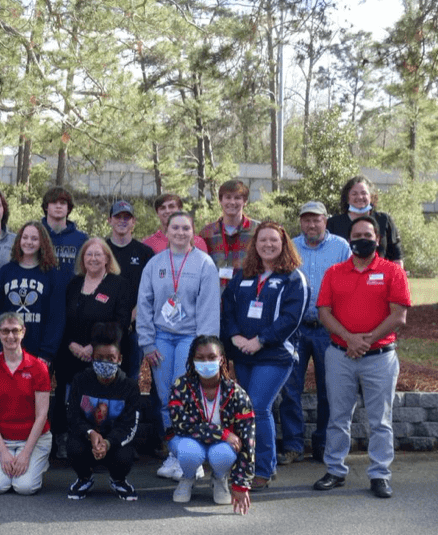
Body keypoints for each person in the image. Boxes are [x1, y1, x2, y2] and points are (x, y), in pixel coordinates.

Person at [312, 215, 410, 499]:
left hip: (380, 356)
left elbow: (399, 316)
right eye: (357, 235)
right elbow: (324, 313)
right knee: (338, 416)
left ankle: (379, 474)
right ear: (349, 239)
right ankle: (335, 470)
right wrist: (350, 339)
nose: (362, 240)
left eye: (368, 235)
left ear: (377, 240)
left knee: (380, 420)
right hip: (340, 354)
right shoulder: (334, 272)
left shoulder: (392, 271)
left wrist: (365, 341)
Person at [222, 221, 308, 488]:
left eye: (274, 240)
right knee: (247, 411)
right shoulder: (244, 275)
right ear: (255, 245)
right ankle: (245, 465)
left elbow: (291, 318)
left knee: (258, 407)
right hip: (244, 353)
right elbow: (227, 307)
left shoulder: (294, 278)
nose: (268, 245)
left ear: (283, 244)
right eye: (263, 240)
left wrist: (261, 340)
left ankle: (264, 469)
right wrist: (234, 336)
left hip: (275, 355)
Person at [137, 211, 220, 480]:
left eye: (186, 228)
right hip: (161, 337)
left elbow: (208, 308)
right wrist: (147, 342)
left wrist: (204, 348)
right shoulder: (155, 263)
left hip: (190, 338)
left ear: (193, 232)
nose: (180, 233)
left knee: (187, 396)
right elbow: (145, 303)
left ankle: (191, 455)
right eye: (176, 228)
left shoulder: (204, 263)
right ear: (167, 230)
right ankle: (174, 452)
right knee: (164, 397)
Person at [278, 201, 351, 465]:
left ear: (325, 221)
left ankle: (323, 444)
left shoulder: (341, 247)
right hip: (295, 329)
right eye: (306, 220)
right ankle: (293, 445)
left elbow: (349, 285)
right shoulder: (290, 246)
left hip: (327, 329)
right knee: (290, 388)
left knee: (328, 389)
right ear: (300, 222)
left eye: (316, 220)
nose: (311, 224)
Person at [54, 238, 134, 458]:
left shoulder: (119, 285)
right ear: (82, 259)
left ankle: (105, 444)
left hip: (103, 357)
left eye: (98, 254)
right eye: (88, 254)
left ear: (107, 258)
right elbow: (63, 318)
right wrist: (72, 344)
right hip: (70, 354)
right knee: (70, 399)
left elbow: (121, 322)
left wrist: (93, 347)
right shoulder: (73, 284)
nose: (93, 259)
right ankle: (71, 439)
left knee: (100, 403)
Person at [168, 335, 255, 515]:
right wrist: (223, 434)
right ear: (192, 360)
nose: (205, 362)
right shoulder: (181, 386)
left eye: (211, 357)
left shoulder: (236, 393)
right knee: (187, 451)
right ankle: (188, 477)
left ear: (221, 359)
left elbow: (247, 441)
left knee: (224, 453)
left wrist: (241, 484)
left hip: (221, 447)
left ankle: (220, 478)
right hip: (190, 441)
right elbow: (181, 425)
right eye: (200, 358)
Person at [64, 323, 141, 502]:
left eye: (111, 358)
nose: (105, 363)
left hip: (113, 443)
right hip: (87, 440)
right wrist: (90, 433)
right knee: (73, 446)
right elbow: (73, 416)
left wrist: (108, 442)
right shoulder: (81, 380)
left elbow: (129, 425)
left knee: (125, 455)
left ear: (120, 359)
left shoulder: (129, 387)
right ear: (92, 358)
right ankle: (84, 478)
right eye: (99, 358)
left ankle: (118, 480)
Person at [0, 313, 52, 495]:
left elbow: (41, 415)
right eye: (5, 331)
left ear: (23, 332)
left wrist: (26, 454)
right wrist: (3, 452)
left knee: (24, 487)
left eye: (15, 331)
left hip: (32, 439)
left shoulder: (38, 367)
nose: (10, 336)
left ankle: (37, 461)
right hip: (0, 439)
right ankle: (7, 461)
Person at [0, 221, 59, 361]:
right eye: (25, 237)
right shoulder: (5, 273)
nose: (29, 242)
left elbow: (55, 318)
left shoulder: (52, 275)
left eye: (34, 239)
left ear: (42, 243)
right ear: (19, 240)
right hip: (7, 351)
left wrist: (46, 353)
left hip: (39, 354)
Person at [105, 200, 154, 377]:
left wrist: (132, 316)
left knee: (130, 378)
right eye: (118, 216)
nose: (123, 221)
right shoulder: (101, 249)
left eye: (127, 217)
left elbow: (151, 291)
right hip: (105, 326)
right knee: (104, 376)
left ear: (134, 222)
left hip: (134, 327)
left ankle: (129, 406)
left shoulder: (145, 253)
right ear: (109, 220)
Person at [325, 175, 403, 265]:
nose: (360, 197)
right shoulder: (333, 223)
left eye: (364, 193)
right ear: (347, 198)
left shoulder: (384, 220)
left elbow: (396, 257)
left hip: (379, 277)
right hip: (345, 276)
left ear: (371, 197)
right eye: (354, 194)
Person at [198, 180, 260, 288]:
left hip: (247, 294)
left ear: (245, 201)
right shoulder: (207, 233)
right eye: (228, 197)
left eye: (237, 198)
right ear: (220, 201)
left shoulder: (258, 231)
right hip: (216, 296)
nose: (232, 202)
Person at [142, 194, 209, 254]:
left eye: (171, 207)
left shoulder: (197, 242)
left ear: (180, 209)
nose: (167, 211)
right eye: (162, 208)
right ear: (157, 213)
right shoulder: (148, 244)